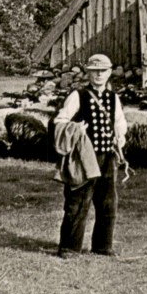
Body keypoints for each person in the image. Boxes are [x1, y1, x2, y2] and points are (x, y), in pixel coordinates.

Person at [53, 53, 128, 259]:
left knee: (107, 202)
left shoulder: (114, 98)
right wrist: (76, 128)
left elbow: (119, 123)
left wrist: (120, 137)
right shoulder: (78, 96)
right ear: (88, 72)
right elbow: (59, 121)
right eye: (94, 71)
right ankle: (69, 248)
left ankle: (103, 246)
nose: (98, 75)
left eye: (103, 71)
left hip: (107, 158)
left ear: (109, 73)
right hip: (83, 158)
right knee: (77, 202)